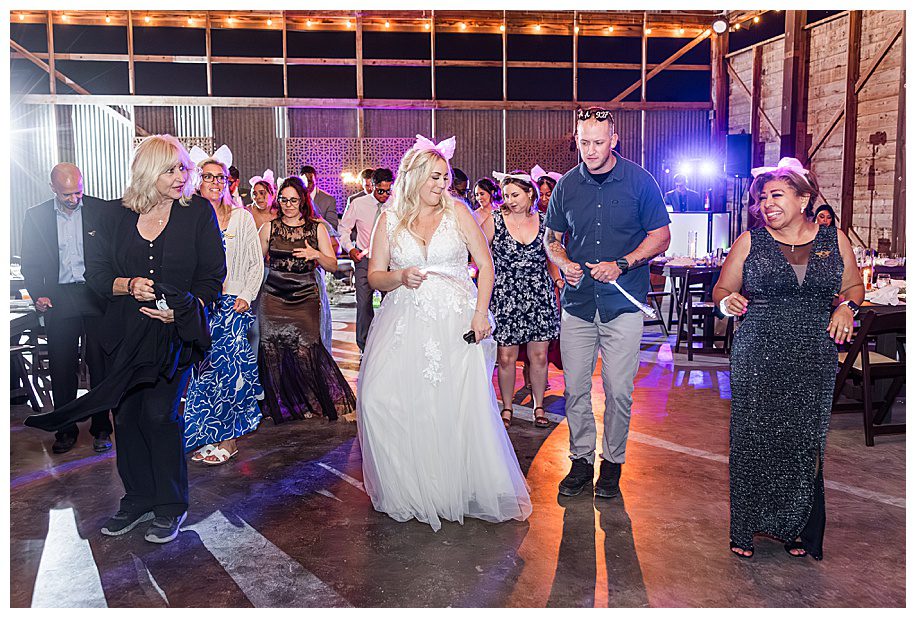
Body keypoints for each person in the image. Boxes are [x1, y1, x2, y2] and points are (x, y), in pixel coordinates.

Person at [26, 134, 227, 543]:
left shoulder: (197, 212)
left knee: (159, 414)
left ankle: (170, 505)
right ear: (148, 171)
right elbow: (96, 276)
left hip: (173, 333)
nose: (181, 176)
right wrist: (127, 283)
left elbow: (212, 275)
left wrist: (185, 308)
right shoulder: (116, 216)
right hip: (122, 334)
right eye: (171, 169)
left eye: (182, 168)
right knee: (128, 418)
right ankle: (136, 500)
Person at [357, 135, 532, 531]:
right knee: (378, 399)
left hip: (456, 322)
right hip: (403, 321)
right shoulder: (390, 218)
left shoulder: (459, 213)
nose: (442, 184)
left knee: (450, 404)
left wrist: (480, 314)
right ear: (414, 176)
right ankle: (409, 486)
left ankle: (452, 486)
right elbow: (375, 276)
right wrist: (399, 276)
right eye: (435, 176)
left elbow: (485, 266)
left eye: (445, 176)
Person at [714, 158, 863, 561]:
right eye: (762, 198)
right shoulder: (751, 241)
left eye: (776, 195)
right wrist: (728, 302)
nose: (767, 204)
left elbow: (853, 286)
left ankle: (796, 527)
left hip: (814, 351)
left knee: (804, 440)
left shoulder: (834, 240)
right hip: (758, 349)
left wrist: (847, 307)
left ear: (804, 198)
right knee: (753, 437)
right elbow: (722, 289)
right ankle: (745, 528)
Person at [544, 107, 671, 499]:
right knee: (575, 390)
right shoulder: (566, 185)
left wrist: (623, 263)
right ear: (576, 139)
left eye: (599, 142)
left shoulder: (639, 181)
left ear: (614, 140)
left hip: (623, 305)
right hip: (578, 304)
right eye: (584, 142)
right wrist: (563, 263)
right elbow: (551, 238)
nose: (591, 150)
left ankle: (613, 463)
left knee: (618, 391)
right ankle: (581, 460)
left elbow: (661, 236)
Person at [20, 163, 115, 454]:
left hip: (96, 293)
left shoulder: (102, 210)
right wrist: (39, 294)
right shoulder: (36, 217)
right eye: (66, 195)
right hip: (59, 297)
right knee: (62, 366)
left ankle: (101, 428)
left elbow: (114, 254)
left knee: (100, 365)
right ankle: (66, 429)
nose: (74, 199)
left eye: (78, 193)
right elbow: (30, 262)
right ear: (53, 189)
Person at [183, 156, 264, 466]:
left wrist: (246, 294)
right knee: (203, 374)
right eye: (208, 177)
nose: (215, 182)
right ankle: (207, 435)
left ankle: (228, 440)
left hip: (232, 304)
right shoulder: (189, 218)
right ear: (197, 181)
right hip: (200, 307)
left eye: (220, 177)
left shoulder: (241, 218)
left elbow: (256, 263)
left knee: (230, 374)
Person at [257, 176, 355, 423]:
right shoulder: (269, 227)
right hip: (273, 296)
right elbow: (255, 263)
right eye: (284, 199)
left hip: (304, 295)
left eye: (293, 199)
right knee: (272, 348)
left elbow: (333, 265)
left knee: (306, 348)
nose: (288, 204)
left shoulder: (316, 227)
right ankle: (278, 404)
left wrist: (315, 254)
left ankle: (312, 400)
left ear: (302, 200)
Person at [481, 171, 561, 430]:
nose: (510, 200)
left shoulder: (547, 221)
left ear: (530, 193)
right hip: (505, 294)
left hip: (539, 294)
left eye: (515, 195)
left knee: (539, 356)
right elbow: (478, 255)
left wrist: (559, 281)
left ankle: (538, 405)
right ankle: (507, 406)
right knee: (506, 357)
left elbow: (552, 258)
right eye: (505, 196)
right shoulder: (494, 220)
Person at [338, 168, 393, 352]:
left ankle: (388, 343)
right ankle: (365, 346)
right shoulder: (358, 203)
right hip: (364, 259)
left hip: (389, 261)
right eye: (381, 191)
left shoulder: (396, 204)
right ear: (372, 186)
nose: (385, 195)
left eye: (388, 190)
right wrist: (350, 248)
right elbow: (344, 229)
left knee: (391, 302)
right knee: (363, 304)